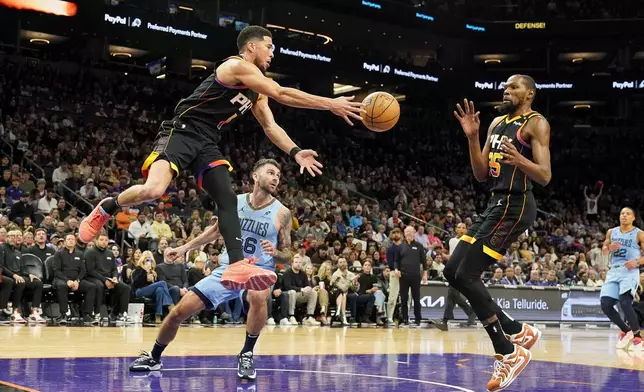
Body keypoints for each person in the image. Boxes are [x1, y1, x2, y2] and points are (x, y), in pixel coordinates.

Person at [79, 25, 363, 293]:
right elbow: (281, 92)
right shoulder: (236, 66)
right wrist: (330, 103)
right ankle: (107, 206)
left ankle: (237, 265)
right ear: (251, 47)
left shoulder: (255, 90)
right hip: (182, 130)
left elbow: (270, 126)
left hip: (208, 140)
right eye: (269, 46)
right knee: (154, 190)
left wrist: (295, 151)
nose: (273, 53)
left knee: (228, 199)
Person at [130, 159, 293, 381]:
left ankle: (246, 353)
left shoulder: (282, 213)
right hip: (229, 268)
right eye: (271, 173)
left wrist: (275, 252)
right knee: (178, 312)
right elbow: (215, 231)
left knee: (258, 294)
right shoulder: (234, 202)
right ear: (255, 176)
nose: (276, 178)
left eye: (278, 175)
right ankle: (154, 357)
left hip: (259, 270)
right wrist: (184, 248)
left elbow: (289, 256)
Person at [450, 75, 550, 391]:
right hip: (495, 202)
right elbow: (481, 174)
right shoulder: (495, 123)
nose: (506, 90)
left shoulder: (536, 123)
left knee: (467, 274)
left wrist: (520, 160)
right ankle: (515, 329)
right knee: (452, 271)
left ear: (529, 94)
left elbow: (545, 175)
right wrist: (473, 136)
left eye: (514, 87)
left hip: (517, 204)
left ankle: (508, 351)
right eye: (505, 86)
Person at [599, 207, 644, 351]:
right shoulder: (612, 232)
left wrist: (636, 262)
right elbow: (604, 250)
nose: (624, 216)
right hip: (614, 270)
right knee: (605, 304)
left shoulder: (639, 234)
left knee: (625, 301)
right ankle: (626, 331)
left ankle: (638, 336)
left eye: (628, 214)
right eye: (622, 214)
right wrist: (609, 248)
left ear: (633, 218)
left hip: (630, 271)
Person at [433, 222, 476, 331]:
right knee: (454, 294)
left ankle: (445, 321)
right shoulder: (451, 240)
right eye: (459, 227)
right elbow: (445, 252)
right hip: (451, 268)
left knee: (452, 293)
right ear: (456, 229)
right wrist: (441, 252)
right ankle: (471, 312)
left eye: (463, 228)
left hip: (462, 269)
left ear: (466, 230)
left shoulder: (469, 241)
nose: (461, 229)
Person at [398, 226, 424, 327]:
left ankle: (418, 319)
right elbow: (397, 260)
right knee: (404, 298)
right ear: (404, 234)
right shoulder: (401, 246)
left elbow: (424, 261)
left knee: (416, 298)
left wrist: (425, 273)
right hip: (403, 276)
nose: (408, 233)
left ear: (414, 233)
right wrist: (396, 269)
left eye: (410, 232)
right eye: (407, 232)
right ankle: (405, 319)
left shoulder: (419, 246)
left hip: (415, 276)